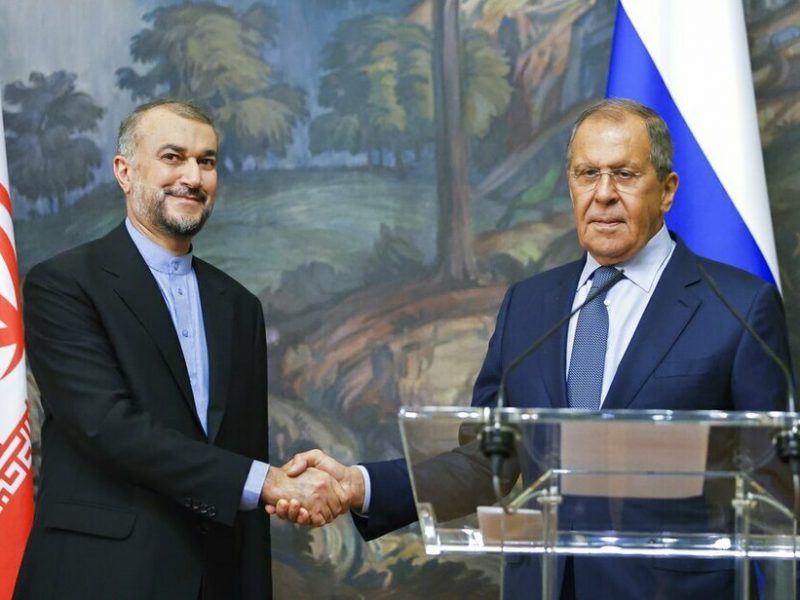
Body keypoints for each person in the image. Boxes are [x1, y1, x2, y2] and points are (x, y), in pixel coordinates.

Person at [273, 99, 793, 599]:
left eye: (624, 174)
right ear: (570, 184)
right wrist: (358, 485)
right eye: (587, 174)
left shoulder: (737, 308)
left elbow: (776, 490)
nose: (604, 194)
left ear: (667, 190)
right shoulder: (529, 304)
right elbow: (485, 463)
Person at [13, 99, 349, 600]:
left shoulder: (240, 307)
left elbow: (243, 451)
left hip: (216, 581)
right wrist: (270, 482)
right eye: (173, 157)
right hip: (98, 578)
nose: (192, 177)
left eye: (206, 161)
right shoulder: (63, 285)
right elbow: (106, 425)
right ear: (125, 172)